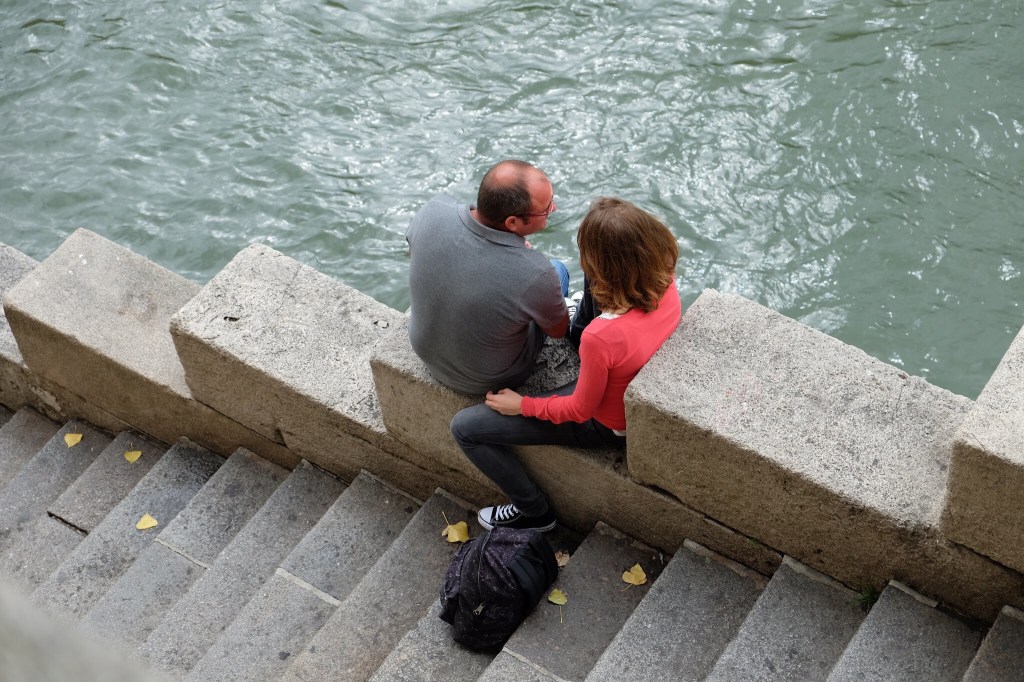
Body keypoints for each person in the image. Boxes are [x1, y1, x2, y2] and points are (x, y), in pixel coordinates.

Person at [450, 197, 682, 531]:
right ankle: (574, 321)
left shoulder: (600, 338)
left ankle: (534, 513)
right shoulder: (664, 278)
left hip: (604, 424)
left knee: (465, 428)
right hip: (626, 352)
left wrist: (522, 405)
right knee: (583, 280)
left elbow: (579, 410)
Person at [406, 160, 570, 395]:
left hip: (425, 352)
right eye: (546, 209)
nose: (554, 209)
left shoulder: (433, 209)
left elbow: (414, 251)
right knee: (558, 270)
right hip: (486, 379)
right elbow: (557, 330)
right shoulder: (536, 271)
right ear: (512, 222)